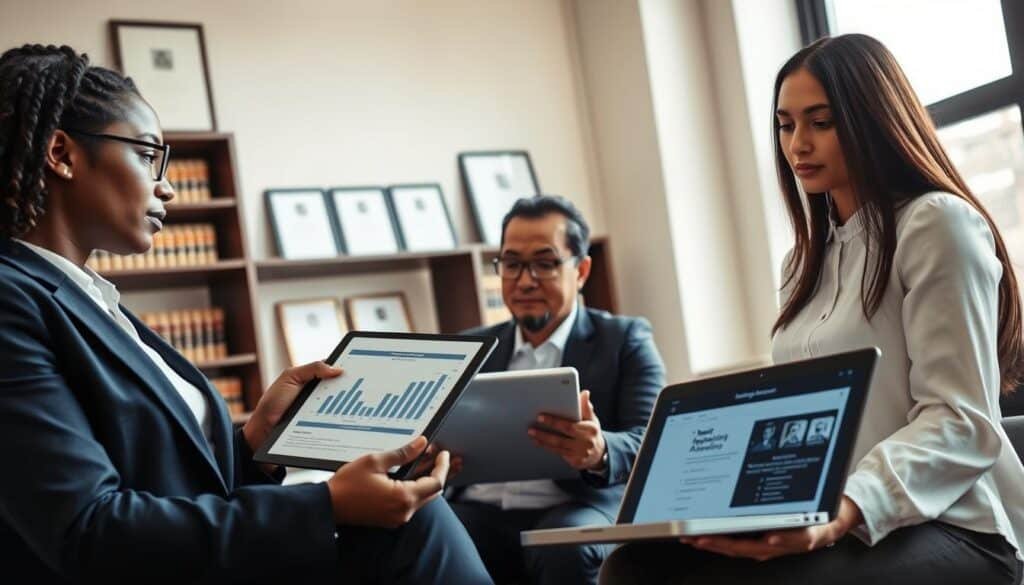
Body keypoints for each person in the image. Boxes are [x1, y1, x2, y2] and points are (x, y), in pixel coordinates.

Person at [0, 45, 492, 584]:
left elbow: (167, 478)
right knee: (415, 529)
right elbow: (88, 531)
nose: (166, 185)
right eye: (147, 155)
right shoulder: (12, 300)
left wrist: (255, 442)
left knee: (418, 518)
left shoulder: (88, 298)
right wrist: (325, 504)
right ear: (61, 154)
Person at [599, 34, 1024, 584]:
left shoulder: (936, 224)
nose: (798, 143)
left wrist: (843, 509)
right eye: (785, 124)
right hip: (828, 520)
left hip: (954, 526)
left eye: (821, 122)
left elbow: (960, 421)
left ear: (873, 120)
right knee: (634, 568)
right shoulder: (801, 263)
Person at [446, 196, 666, 585]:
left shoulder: (625, 339)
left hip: (578, 503)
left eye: (545, 263)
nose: (524, 280)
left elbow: (653, 440)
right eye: (512, 264)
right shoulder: (469, 349)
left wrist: (599, 452)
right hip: (479, 506)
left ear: (580, 271)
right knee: (419, 528)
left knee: (562, 544)